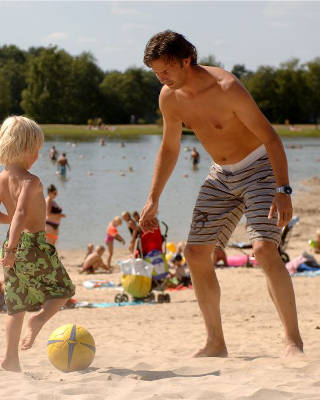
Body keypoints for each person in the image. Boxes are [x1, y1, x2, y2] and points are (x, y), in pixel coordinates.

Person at [139, 30, 302, 357]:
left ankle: (293, 341)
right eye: (156, 72)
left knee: (264, 250)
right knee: (196, 255)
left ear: (187, 60)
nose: (162, 78)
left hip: (259, 169)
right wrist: (153, 198)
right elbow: (170, 148)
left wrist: (283, 189)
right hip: (221, 175)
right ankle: (216, 342)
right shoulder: (169, 96)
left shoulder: (228, 89)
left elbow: (271, 138)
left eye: (167, 70)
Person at [0, 115, 75, 372]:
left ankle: (10, 359)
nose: (38, 155)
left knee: (15, 305)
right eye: (36, 150)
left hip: (9, 248)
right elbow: (22, 214)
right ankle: (39, 320)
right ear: (26, 149)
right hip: (33, 245)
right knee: (63, 290)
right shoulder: (31, 181)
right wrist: (17, 240)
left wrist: (11, 242)